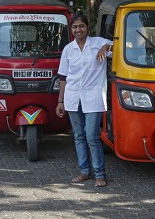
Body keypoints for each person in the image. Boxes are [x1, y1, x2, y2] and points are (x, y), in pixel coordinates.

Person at [55, 14, 112, 187]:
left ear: (88, 27)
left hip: (93, 95)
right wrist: (60, 102)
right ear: (71, 30)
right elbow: (63, 77)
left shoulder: (97, 42)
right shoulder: (68, 49)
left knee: (92, 136)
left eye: (81, 26)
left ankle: (100, 174)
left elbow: (121, 45)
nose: (78, 30)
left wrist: (107, 45)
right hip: (72, 97)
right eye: (75, 27)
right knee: (79, 136)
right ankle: (85, 171)